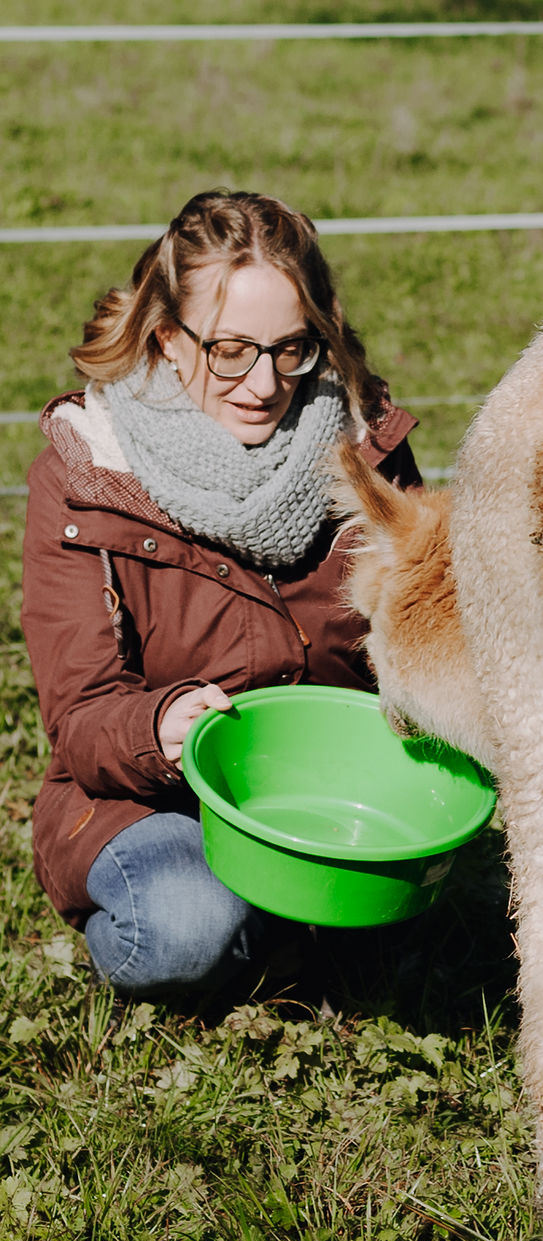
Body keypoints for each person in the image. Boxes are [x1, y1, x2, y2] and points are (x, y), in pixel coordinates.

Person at [21, 188, 422, 999]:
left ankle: (296, 923)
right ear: (169, 338)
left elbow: (421, 633)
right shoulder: (89, 473)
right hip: (151, 799)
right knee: (187, 927)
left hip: (324, 785)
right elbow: (82, 718)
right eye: (231, 349)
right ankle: (246, 932)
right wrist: (159, 725)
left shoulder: (364, 451)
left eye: (291, 347)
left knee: (387, 912)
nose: (265, 383)